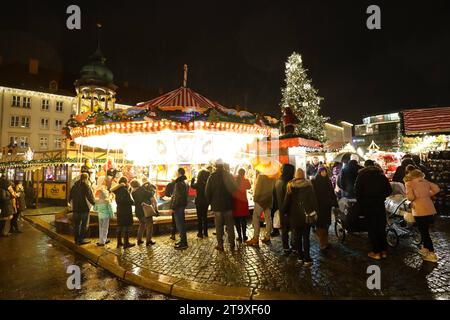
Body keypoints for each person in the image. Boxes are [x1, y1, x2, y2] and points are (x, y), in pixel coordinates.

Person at [354, 160, 392, 260]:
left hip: (368, 205)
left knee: (372, 228)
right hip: (379, 204)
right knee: (381, 227)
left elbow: (357, 191)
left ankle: (376, 252)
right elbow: (389, 190)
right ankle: (384, 251)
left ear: (365, 166)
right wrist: (381, 196)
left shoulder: (361, 176)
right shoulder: (381, 175)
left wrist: (361, 201)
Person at [282, 168, 318, 266]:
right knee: (306, 237)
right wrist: (315, 211)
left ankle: (300, 257)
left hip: (294, 217)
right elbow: (314, 201)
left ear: (295, 175)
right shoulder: (308, 185)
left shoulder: (290, 185)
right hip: (306, 216)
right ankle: (307, 259)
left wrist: (283, 212)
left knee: (297, 238)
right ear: (303, 175)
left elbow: (286, 202)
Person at [404, 165, 440, 263]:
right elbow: (436, 189)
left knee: (424, 232)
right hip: (430, 208)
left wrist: (414, 197)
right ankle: (425, 248)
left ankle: (431, 252)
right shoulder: (426, 182)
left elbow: (410, 198)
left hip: (419, 210)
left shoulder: (409, 183)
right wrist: (427, 195)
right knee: (425, 229)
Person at [205, 160, 237, 252]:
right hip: (228, 205)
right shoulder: (229, 175)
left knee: (218, 226)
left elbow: (207, 192)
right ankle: (232, 243)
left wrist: (210, 203)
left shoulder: (212, 177)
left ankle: (220, 245)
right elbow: (235, 188)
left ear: (215, 166)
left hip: (217, 205)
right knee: (230, 225)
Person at [246, 172, 276, 247]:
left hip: (260, 201)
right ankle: (267, 237)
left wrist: (255, 199)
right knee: (268, 219)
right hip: (269, 200)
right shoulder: (272, 176)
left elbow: (258, 189)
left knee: (256, 218)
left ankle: (255, 238)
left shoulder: (261, 176)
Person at [312, 167, 338, 250]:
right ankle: (322, 243)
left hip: (327, 206)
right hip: (319, 207)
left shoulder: (328, 180)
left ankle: (325, 241)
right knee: (320, 225)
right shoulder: (315, 181)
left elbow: (332, 193)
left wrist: (335, 203)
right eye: (322, 172)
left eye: (325, 172)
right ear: (319, 172)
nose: (324, 173)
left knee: (327, 224)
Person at [273, 163, 295, 255]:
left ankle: (286, 248)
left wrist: (276, 209)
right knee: (293, 229)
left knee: (284, 230)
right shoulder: (289, 183)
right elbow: (291, 197)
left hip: (281, 209)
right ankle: (294, 247)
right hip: (290, 210)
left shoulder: (277, 181)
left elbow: (274, 196)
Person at [68, 173, 96, 245]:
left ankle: (76, 239)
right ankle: (81, 240)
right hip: (84, 209)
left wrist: (70, 204)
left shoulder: (74, 186)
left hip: (76, 209)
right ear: (86, 178)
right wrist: (95, 204)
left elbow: (70, 197)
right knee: (84, 225)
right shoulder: (86, 186)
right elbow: (90, 197)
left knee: (77, 225)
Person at [131, 179, 157, 246]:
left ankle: (139, 240)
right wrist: (155, 209)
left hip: (138, 211)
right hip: (145, 210)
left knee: (142, 224)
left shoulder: (133, 192)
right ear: (138, 184)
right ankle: (148, 241)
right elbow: (153, 200)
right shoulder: (144, 191)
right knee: (149, 226)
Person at [111, 177, 135, 249]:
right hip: (126, 210)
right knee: (126, 226)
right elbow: (128, 201)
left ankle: (119, 243)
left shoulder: (117, 190)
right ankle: (126, 243)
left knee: (119, 225)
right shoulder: (125, 190)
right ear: (125, 182)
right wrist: (132, 202)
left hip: (119, 210)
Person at [170, 168, 189, 250]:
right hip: (182, 205)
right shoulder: (184, 182)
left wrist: (173, 207)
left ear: (179, 173)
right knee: (181, 224)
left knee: (180, 224)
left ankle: (183, 243)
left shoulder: (178, 183)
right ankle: (183, 241)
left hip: (178, 206)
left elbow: (177, 196)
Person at [232, 168, 251, 243]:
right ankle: (244, 235)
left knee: (236, 220)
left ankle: (239, 236)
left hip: (236, 202)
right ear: (244, 173)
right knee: (243, 220)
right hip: (243, 202)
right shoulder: (246, 180)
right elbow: (249, 187)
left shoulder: (234, 180)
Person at [191, 169, 211, 238]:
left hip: (199, 202)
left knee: (199, 218)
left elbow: (192, 186)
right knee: (205, 217)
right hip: (205, 202)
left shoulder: (198, 183)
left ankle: (200, 233)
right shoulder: (207, 183)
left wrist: (192, 180)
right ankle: (206, 232)